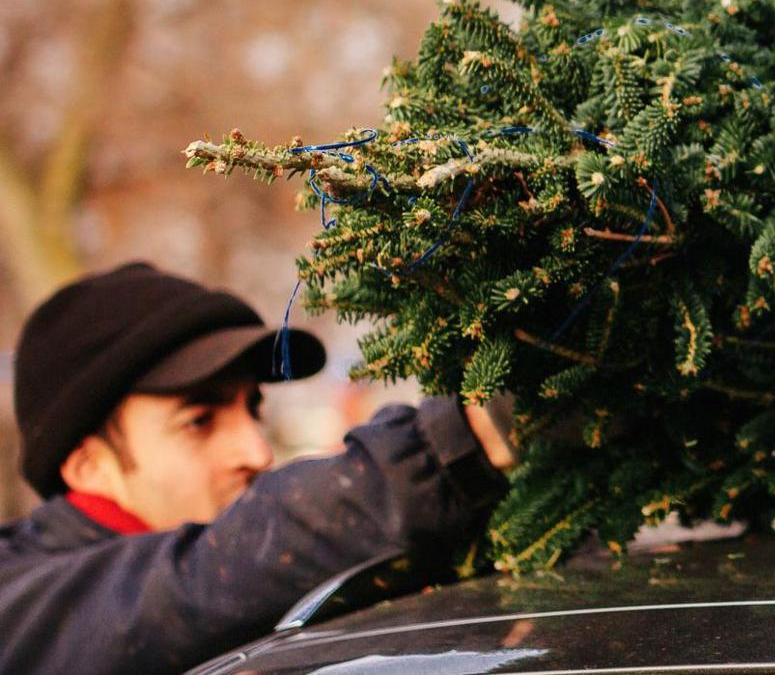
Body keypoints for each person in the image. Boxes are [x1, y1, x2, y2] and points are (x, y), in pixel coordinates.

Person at [0, 261, 517, 675]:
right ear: (89, 467)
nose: (258, 452)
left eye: (253, 410)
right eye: (199, 420)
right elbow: (201, 579)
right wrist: (460, 441)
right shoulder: (17, 604)